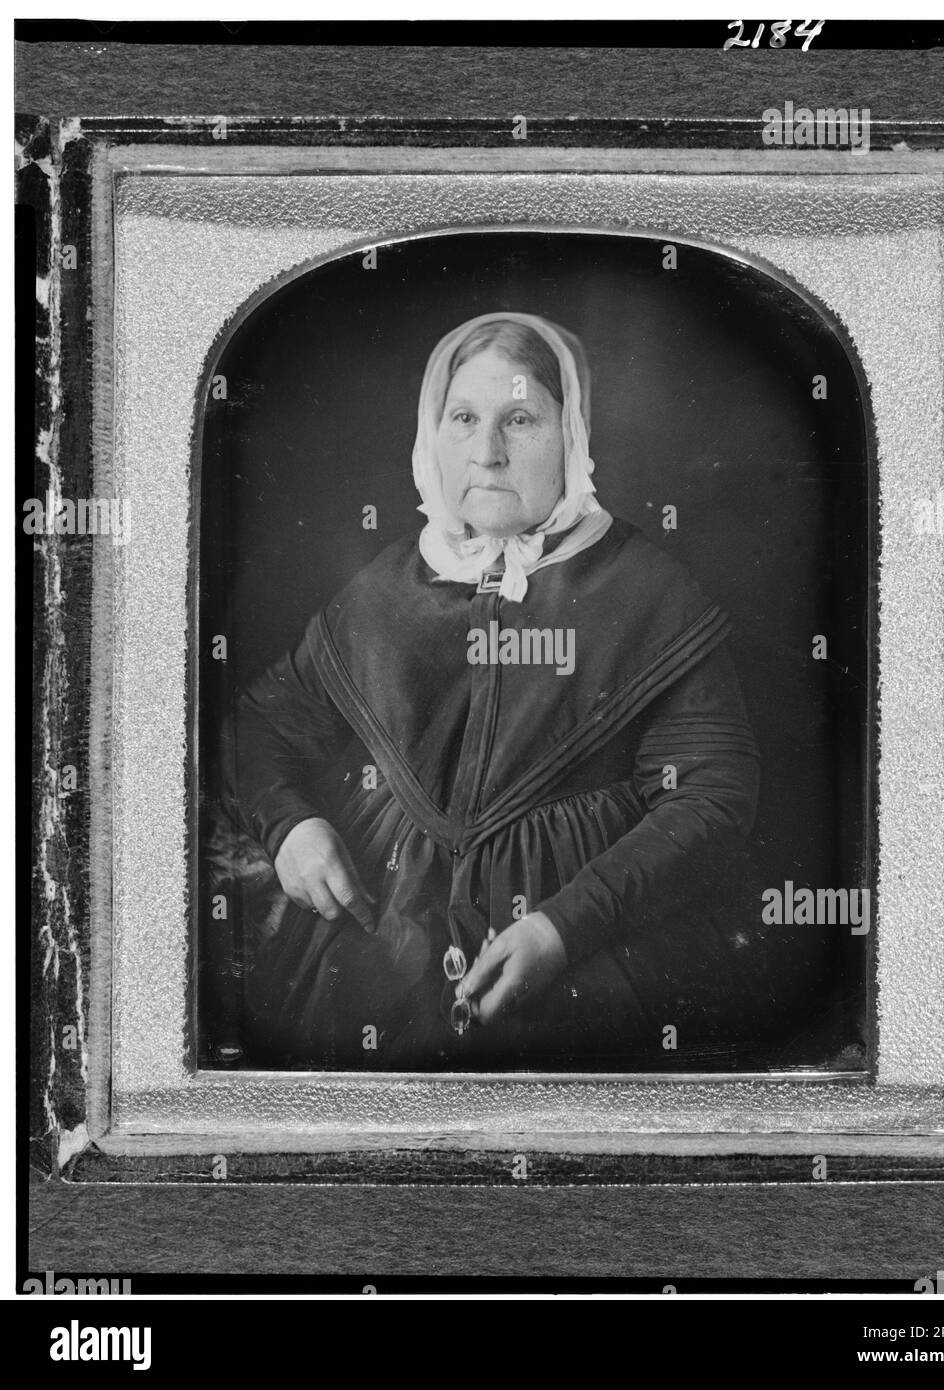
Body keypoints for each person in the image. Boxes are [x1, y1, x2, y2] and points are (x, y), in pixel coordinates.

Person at [222, 311, 789, 1070]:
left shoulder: (649, 591)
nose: (486, 453)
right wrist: (290, 827)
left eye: (519, 419)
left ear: (573, 437)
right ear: (434, 432)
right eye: (463, 418)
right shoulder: (382, 589)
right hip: (377, 951)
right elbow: (261, 727)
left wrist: (563, 929)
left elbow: (712, 794)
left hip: (592, 954)